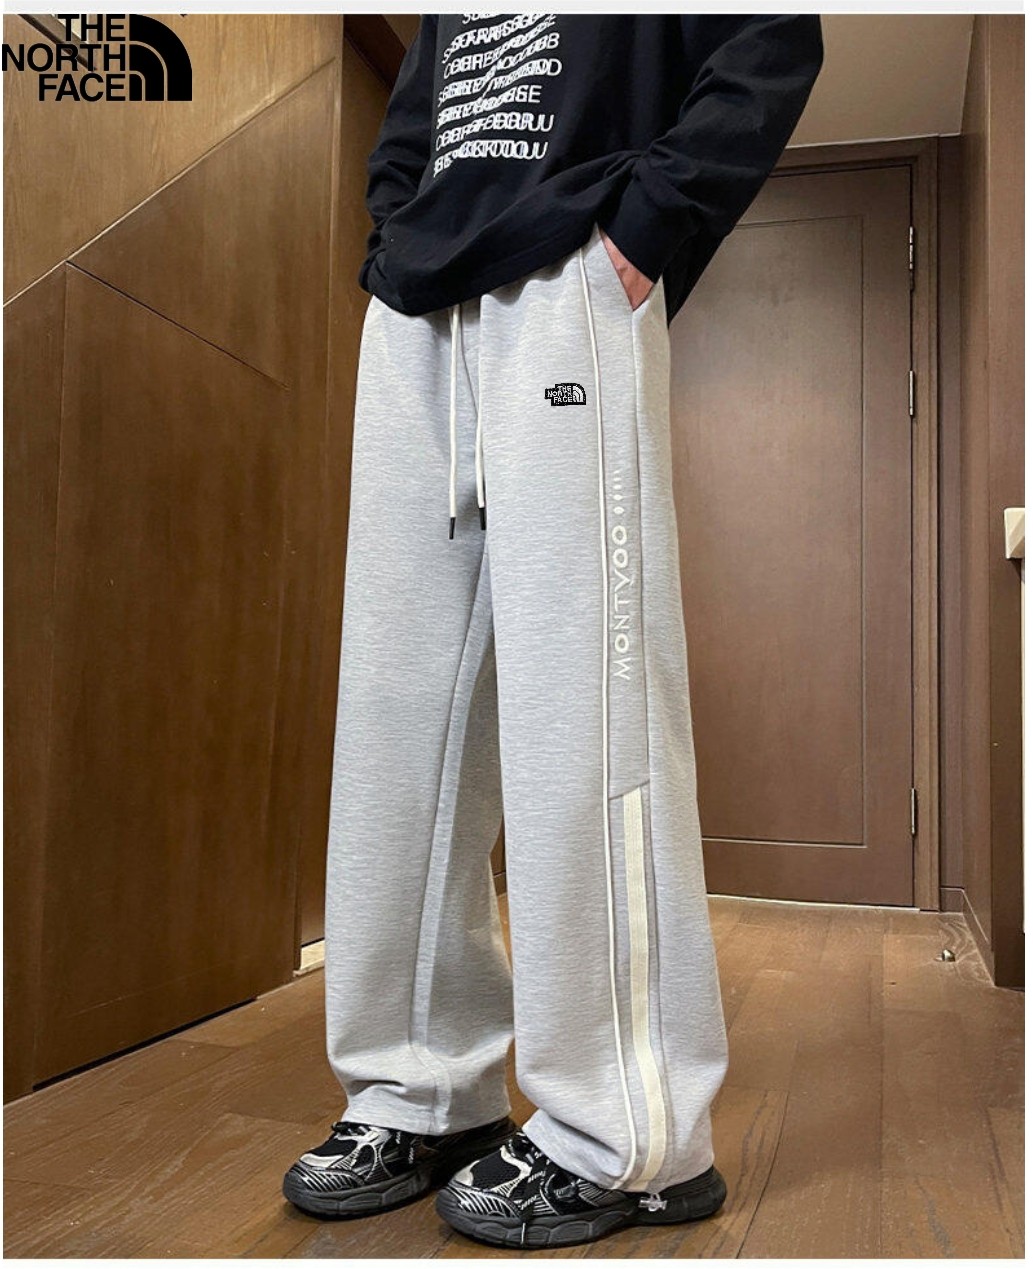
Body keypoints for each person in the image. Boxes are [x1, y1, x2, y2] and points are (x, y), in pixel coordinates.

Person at [283, 13, 824, 1251]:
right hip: (417, 308)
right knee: (398, 722)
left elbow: (770, 43)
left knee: (585, 708)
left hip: (572, 266)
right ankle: (420, 1088)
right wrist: (391, 235)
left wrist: (645, 229)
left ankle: (627, 1132)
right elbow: (415, 119)